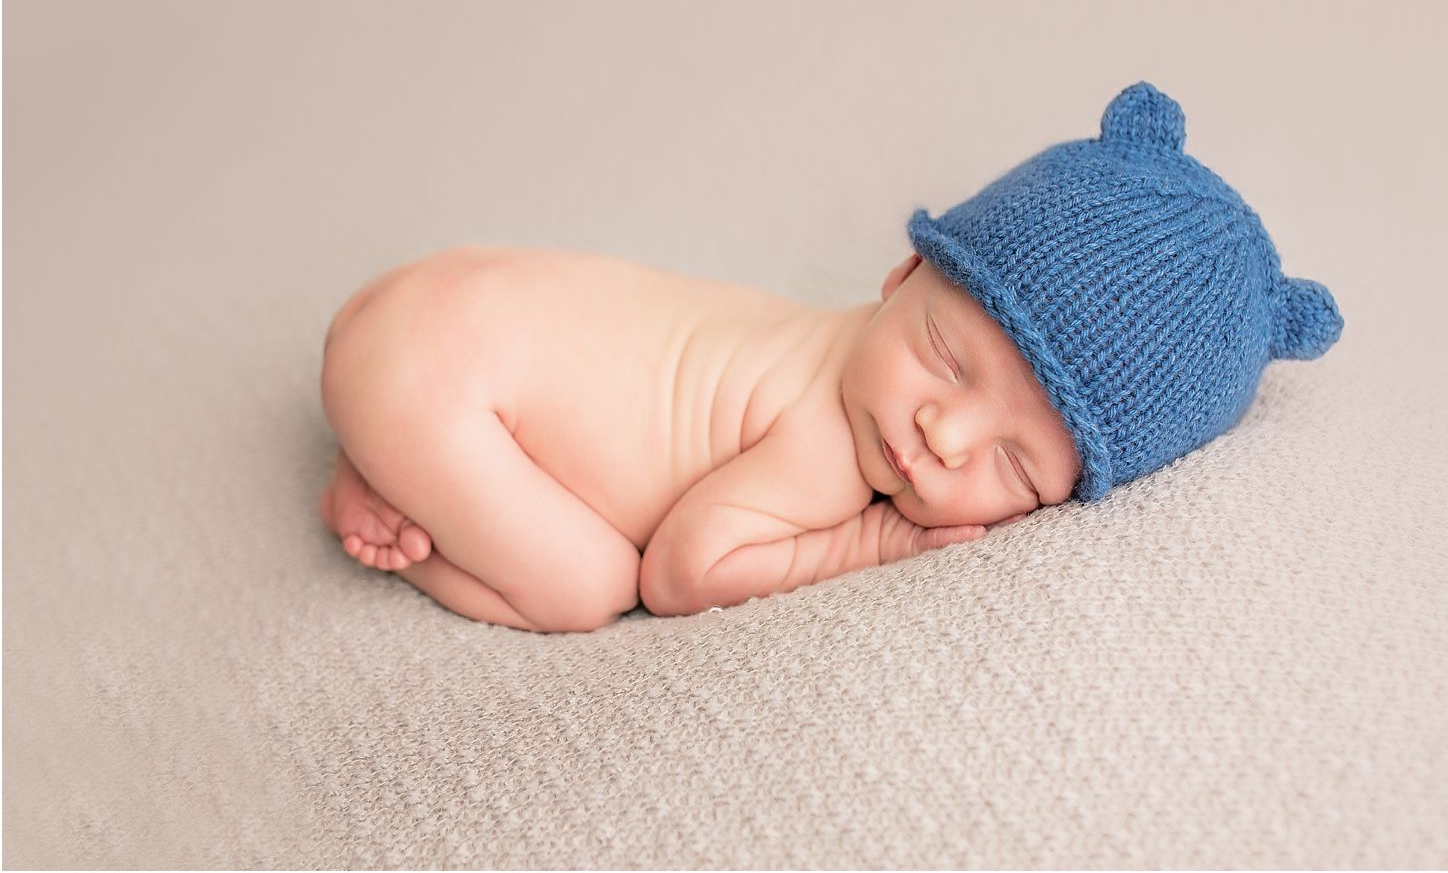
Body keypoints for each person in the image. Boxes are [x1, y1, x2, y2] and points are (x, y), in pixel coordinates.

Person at [317, 82, 1343, 632]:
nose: (942, 434)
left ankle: (419, 460)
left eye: (1014, 465)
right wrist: (870, 546)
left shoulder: (833, 342)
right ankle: (393, 498)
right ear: (902, 275)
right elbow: (682, 569)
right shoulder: (819, 445)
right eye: (947, 359)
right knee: (587, 584)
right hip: (428, 373)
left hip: (437, 298)